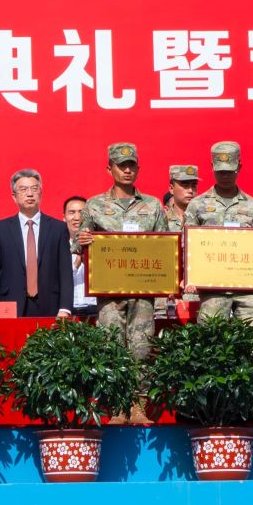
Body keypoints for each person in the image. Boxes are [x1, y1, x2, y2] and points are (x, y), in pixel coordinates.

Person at [76, 142, 170, 424]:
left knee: (141, 349)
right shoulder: (95, 205)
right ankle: (116, 406)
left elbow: (165, 246)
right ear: (110, 169)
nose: (127, 170)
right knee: (112, 347)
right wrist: (82, 240)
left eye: (131, 166)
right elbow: (78, 243)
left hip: (143, 290)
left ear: (138, 168)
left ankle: (138, 406)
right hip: (109, 292)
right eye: (121, 166)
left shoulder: (152, 205)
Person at [182, 142, 253, 331]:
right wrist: (188, 276)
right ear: (212, 167)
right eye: (220, 171)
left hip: (247, 287)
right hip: (212, 286)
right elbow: (187, 245)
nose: (225, 176)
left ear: (239, 167)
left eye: (229, 171)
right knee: (210, 332)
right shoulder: (197, 205)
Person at [0, 169, 70, 318]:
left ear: (41, 193)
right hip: (10, 304)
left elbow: (65, 271)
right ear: (14, 196)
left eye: (34, 189)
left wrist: (65, 308)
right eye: (23, 189)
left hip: (50, 304)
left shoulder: (58, 228)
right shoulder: (0, 229)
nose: (30, 194)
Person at [60, 196, 98, 319]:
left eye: (81, 212)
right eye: (72, 212)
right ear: (64, 217)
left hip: (96, 310)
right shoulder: (56, 247)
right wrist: (75, 265)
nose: (77, 217)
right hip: (68, 311)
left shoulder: (100, 246)